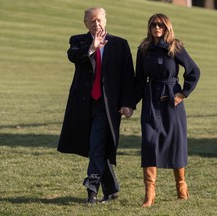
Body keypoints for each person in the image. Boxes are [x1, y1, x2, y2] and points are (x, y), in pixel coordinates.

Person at [57, 7, 135, 204]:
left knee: (97, 146)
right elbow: (73, 56)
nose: (96, 23)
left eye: (99, 20)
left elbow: (128, 77)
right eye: (91, 21)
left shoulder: (120, 44)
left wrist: (128, 104)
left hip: (108, 107)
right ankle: (112, 189)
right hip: (82, 106)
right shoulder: (78, 41)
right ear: (86, 24)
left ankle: (91, 189)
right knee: (96, 148)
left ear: (105, 21)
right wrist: (92, 47)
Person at [134, 13, 200, 207]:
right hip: (151, 99)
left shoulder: (175, 46)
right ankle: (149, 194)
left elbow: (194, 71)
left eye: (161, 25)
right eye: (153, 25)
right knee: (148, 142)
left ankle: (181, 187)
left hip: (172, 101)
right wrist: (129, 103)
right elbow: (139, 80)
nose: (157, 28)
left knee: (176, 142)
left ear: (167, 27)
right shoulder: (143, 48)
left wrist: (182, 94)